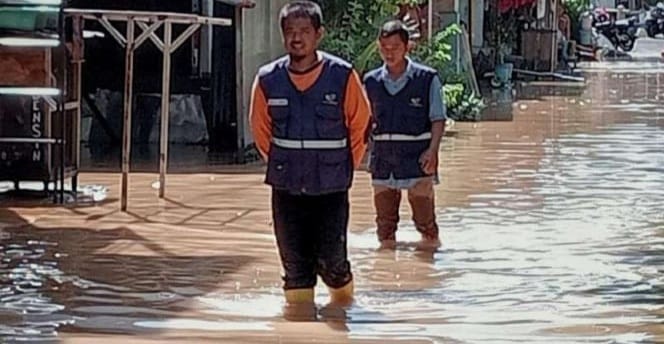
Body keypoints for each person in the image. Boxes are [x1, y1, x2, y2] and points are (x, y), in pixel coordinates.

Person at [249, 1, 371, 308]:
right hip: (286, 188)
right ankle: (299, 326)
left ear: (319, 34)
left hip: (331, 188)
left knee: (333, 262)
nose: (296, 38)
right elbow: (261, 133)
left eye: (304, 31)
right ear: (283, 36)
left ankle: (344, 312)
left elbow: (360, 127)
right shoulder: (267, 80)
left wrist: (342, 168)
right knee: (294, 267)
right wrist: (284, 165)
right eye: (290, 31)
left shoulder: (342, 76)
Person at [363, 20, 446, 250]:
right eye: (384, 48)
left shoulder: (427, 79)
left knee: (426, 224)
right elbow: (362, 121)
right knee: (385, 226)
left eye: (395, 47)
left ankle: (428, 266)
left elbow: (438, 118)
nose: (389, 53)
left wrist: (433, 151)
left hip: (418, 159)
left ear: (407, 47)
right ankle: (387, 271)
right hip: (382, 160)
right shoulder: (370, 82)